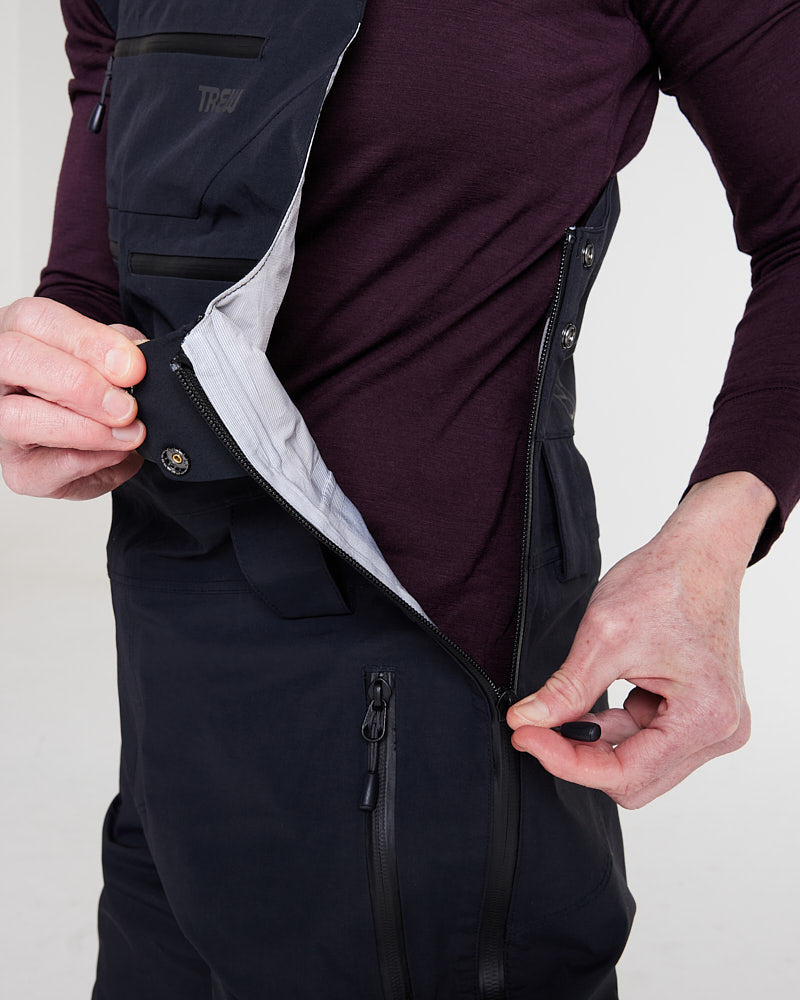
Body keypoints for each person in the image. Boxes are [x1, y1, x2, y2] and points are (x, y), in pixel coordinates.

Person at [1, 1, 797, 997]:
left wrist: (712, 542)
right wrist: (49, 387)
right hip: (170, 730)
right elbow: (103, 271)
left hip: (439, 733)